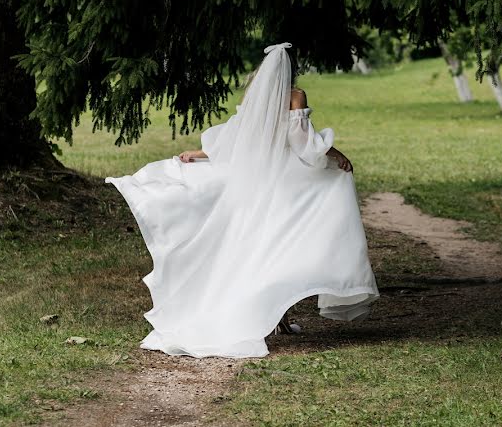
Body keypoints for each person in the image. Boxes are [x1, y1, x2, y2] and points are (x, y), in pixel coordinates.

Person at [105, 43, 379, 358]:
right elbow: (302, 142)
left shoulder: (255, 94)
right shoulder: (295, 95)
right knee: (291, 240)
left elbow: (237, 135)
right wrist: (336, 155)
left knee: (262, 245)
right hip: (286, 180)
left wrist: (202, 153)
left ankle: (278, 318)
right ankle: (273, 316)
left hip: (257, 180)